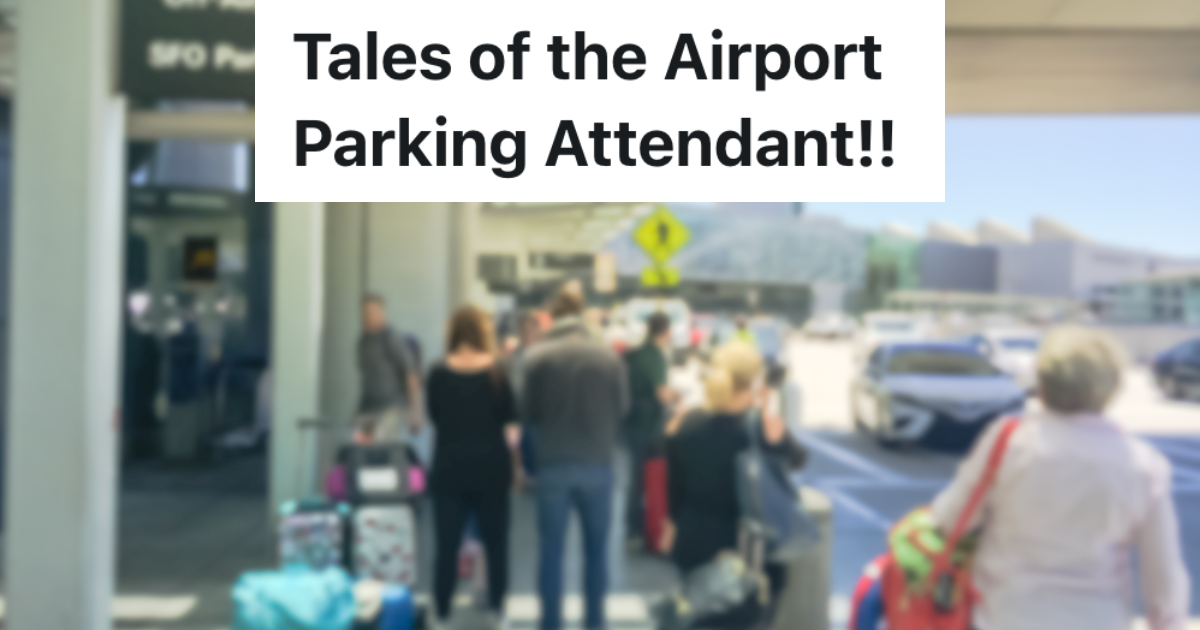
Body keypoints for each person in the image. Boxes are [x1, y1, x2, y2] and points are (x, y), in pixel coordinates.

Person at [931, 326, 1189, 630]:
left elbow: (950, 520)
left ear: (1041, 386)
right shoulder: (1143, 465)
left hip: (1004, 616)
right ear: (1112, 390)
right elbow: (1163, 579)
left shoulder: (1006, 443)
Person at [663, 341, 806, 629]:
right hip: (750, 550)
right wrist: (769, 409)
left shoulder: (686, 421)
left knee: (700, 617)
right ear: (754, 380)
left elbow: (673, 489)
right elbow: (798, 459)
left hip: (695, 542)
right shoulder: (761, 426)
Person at [522, 287, 630, 630]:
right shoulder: (607, 357)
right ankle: (594, 623)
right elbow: (623, 408)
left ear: (551, 317)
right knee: (596, 554)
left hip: (554, 463)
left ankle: (550, 624)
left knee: (551, 552)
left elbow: (527, 413)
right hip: (597, 463)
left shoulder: (538, 358)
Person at [425, 305, 518, 629]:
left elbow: (434, 417)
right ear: (483, 333)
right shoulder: (498, 371)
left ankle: (442, 612)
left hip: (449, 467)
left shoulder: (437, 372)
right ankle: (497, 610)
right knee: (496, 543)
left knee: (446, 544)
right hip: (491, 467)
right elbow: (510, 417)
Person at [623, 311, 677, 551]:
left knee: (634, 480)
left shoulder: (635, 354)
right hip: (648, 428)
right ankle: (645, 532)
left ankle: (631, 532)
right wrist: (678, 396)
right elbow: (662, 393)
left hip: (630, 425)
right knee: (649, 482)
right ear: (666, 332)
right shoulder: (656, 356)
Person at [355, 294, 423, 443]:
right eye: (365, 313)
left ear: (382, 313)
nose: (368, 317)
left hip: (390, 408)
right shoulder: (363, 342)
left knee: (383, 452)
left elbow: (410, 372)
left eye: (373, 313)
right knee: (363, 450)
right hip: (367, 408)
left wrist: (416, 412)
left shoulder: (391, 337)